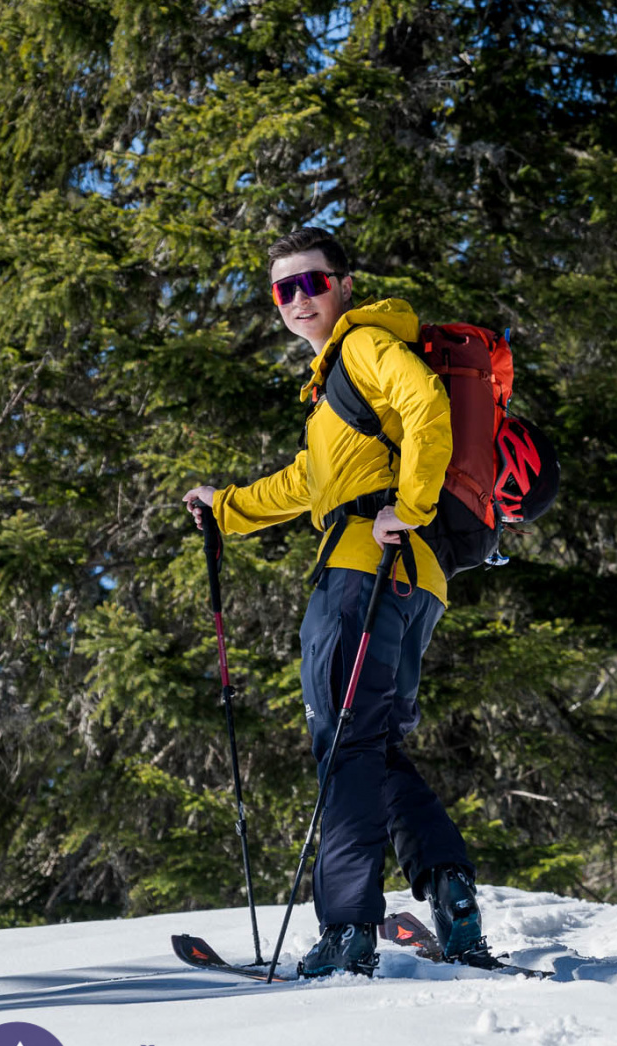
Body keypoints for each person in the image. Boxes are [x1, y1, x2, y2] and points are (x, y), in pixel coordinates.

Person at [182, 227, 488, 977]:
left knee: (344, 744)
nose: (297, 299)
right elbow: (306, 482)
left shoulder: (364, 346)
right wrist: (227, 507)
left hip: (365, 570)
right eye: (283, 289)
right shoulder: (334, 391)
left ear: (344, 285)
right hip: (412, 578)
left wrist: (408, 507)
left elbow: (426, 406)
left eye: (311, 282)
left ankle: (348, 928)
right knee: (371, 744)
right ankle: (450, 889)